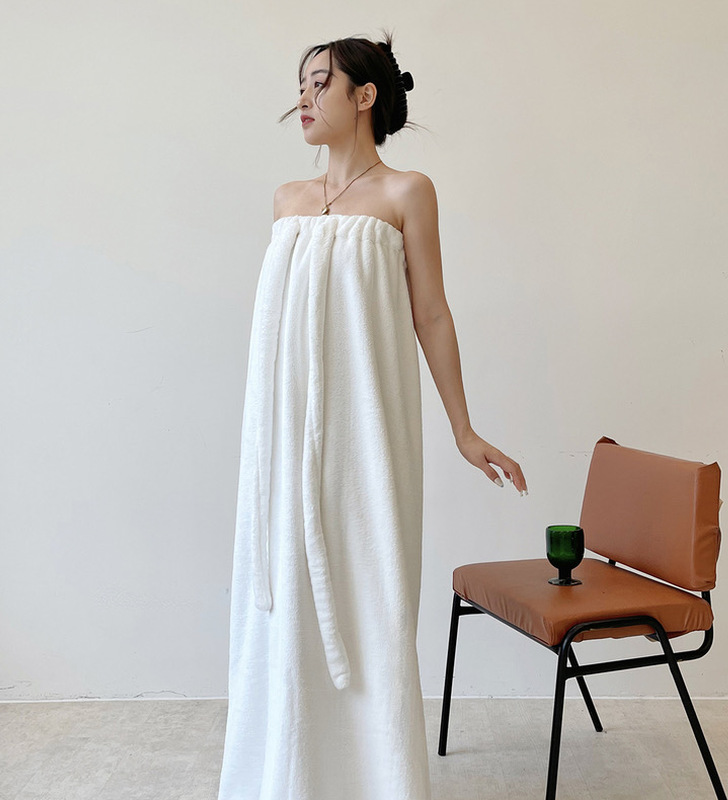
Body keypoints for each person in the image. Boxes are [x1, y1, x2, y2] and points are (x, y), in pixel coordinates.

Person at [217, 30, 528, 800]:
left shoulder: (406, 193)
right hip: (282, 445)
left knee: (370, 594)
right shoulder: (287, 201)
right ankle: (285, 779)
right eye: (300, 84)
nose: (304, 97)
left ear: (365, 96)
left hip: (365, 442)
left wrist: (463, 429)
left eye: (320, 82)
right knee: (284, 603)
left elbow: (431, 313)